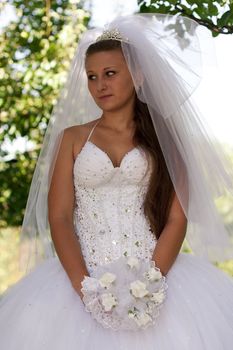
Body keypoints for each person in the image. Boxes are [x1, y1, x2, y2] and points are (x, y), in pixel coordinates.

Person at [0, 13, 233, 349]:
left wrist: (150, 284)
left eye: (110, 73)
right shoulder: (72, 138)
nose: (100, 86)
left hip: (159, 275)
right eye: (92, 77)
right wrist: (85, 288)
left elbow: (176, 218)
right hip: (81, 279)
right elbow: (60, 217)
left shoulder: (166, 138)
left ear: (137, 76)